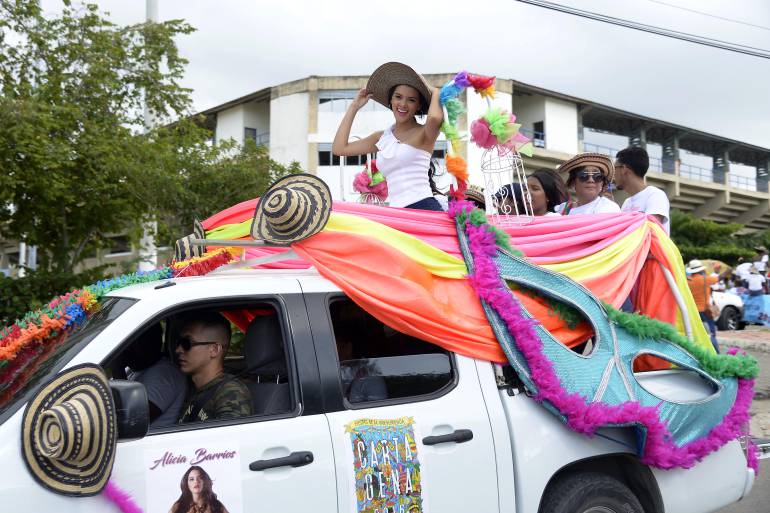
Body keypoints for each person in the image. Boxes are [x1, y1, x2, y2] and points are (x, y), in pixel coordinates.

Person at [332, 62, 444, 211]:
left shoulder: (425, 133)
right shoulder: (382, 138)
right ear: (390, 101)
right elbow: (339, 148)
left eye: (411, 100)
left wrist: (435, 91)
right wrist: (354, 106)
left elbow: (435, 118)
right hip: (397, 212)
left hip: (424, 209)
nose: (403, 104)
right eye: (398, 97)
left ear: (418, 106)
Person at [176, 312, 252, 423]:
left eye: (187, 343)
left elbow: (231, 438)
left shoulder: (231, 393)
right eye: (178, 343)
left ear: (214, 350)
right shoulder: (197, 389)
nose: (178, 350)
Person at [124, 323, 188, 428]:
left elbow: (133, 421)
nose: (127, 349)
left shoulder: (164, 374)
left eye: (133, 344)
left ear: (150, 344)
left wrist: (117, 370)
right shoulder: (135, 369)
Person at [613, 147, 671, 234]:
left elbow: (651, 230)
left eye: (615, 168)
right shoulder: (627, 203)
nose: (613, 173)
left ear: (624, 169)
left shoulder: (655, 195)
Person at [553, 153, 620, 215]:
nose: (591, 180)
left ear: (602, 183)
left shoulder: (609, 207)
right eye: (583, 176)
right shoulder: (563, 209)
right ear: (573, 183)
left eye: (597, 176)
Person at [686, 259, 719, 353]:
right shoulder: (705, 279)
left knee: (695, 334)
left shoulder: (687, 282)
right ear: (701, 270)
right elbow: (719, 277)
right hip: (704, 311)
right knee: (710, 334)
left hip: (692, 312)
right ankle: (716, 354)